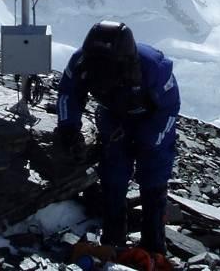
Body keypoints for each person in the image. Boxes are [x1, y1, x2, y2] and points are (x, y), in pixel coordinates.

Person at [55, 20, 180, 256]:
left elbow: (170, 107)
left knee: (153, 177)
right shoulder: (81, 62)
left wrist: (149, 138)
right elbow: (69, 94)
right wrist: (68, 128)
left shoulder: (154, 67)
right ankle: (113, 242)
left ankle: (154, 246)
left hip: (151, 119)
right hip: (112, 117)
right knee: (113, 175)